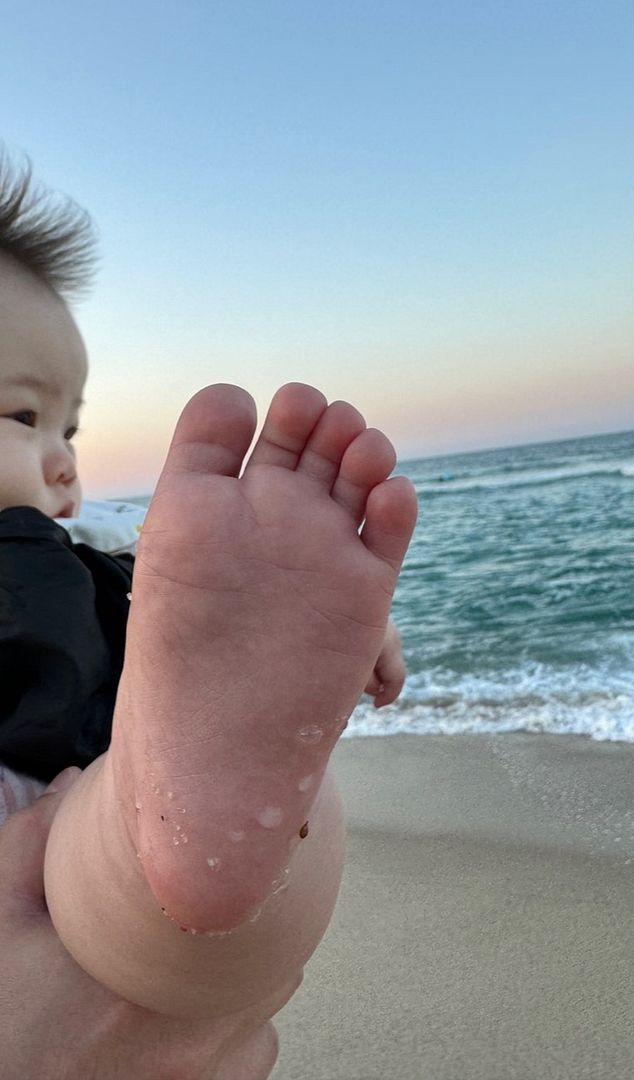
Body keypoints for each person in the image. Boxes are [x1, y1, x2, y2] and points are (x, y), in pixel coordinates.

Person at [0, 152, 417, 1076]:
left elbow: (170, 586)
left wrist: (287, 618)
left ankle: (213, 793)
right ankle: (197, 828)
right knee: (123, 899)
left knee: (148, 890)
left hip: (108, 798)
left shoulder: (77, 554)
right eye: (23, 416)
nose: (64, 459)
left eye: (70, 428)